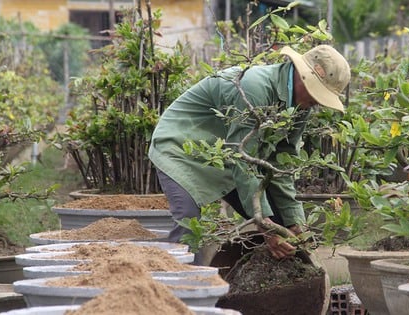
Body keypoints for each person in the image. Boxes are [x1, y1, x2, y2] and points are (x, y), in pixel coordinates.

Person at [148, 44, 351, 262]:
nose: (317, 102)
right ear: (301, 75)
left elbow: (281, 162)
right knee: (189, 230)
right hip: (181, 148)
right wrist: (265, 225)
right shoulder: (255, 87)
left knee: (282, 226)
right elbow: (241, 160)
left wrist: (294, 221)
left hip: (227, 157)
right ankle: (177, 291)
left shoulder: (300, 107)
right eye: (316, 93)